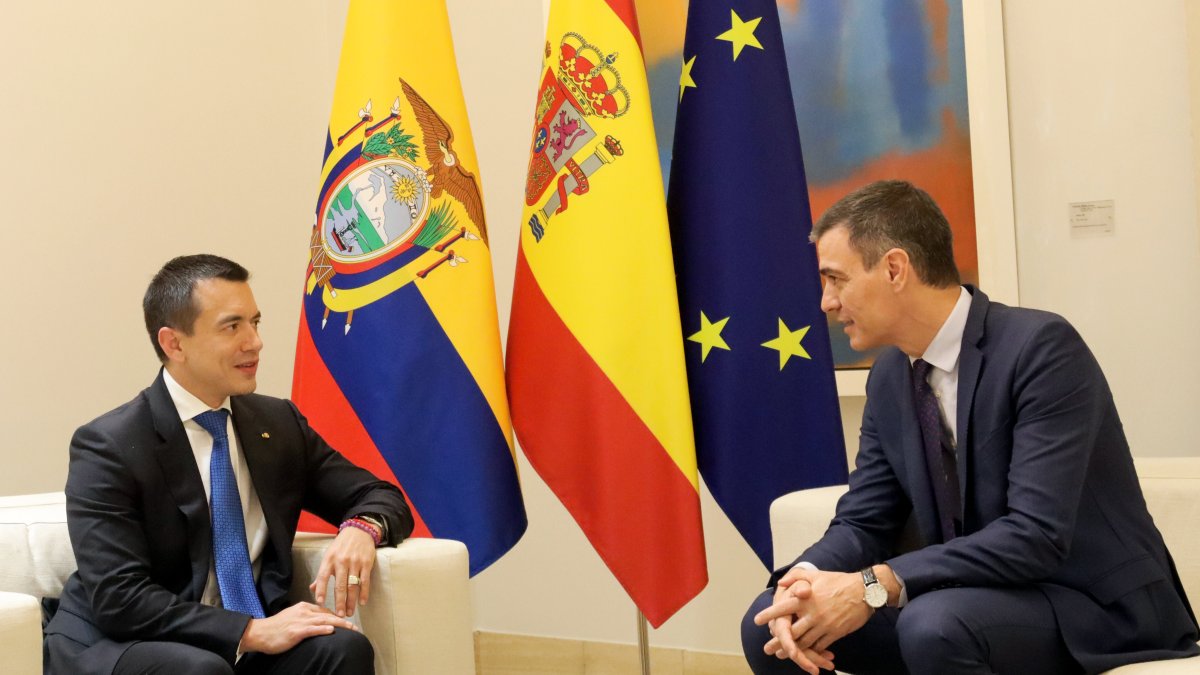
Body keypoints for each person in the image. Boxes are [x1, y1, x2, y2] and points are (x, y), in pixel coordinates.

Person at [741, 181, 1198, 675]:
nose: (826, 303)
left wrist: (874, 584)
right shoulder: (891, 375)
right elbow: (865, 518)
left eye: (836, 280)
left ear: (895, 268)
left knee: (934, 624)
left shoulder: (1041, 349)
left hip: (1085, 602)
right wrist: (803, 580)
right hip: (963, 603)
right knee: (771, 622)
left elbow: (1035, 535)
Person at [43, 254, 414, 675]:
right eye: (232, 326)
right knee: (201, 670)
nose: (254, 342)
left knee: (343, 649)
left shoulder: (277, 424)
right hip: (124, 642)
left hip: (242, 635)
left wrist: (361, 530)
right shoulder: (109, 445)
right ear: (174, 344)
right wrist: (249, 632)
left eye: (255, 323)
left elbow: (378, 494)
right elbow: (120, 599)